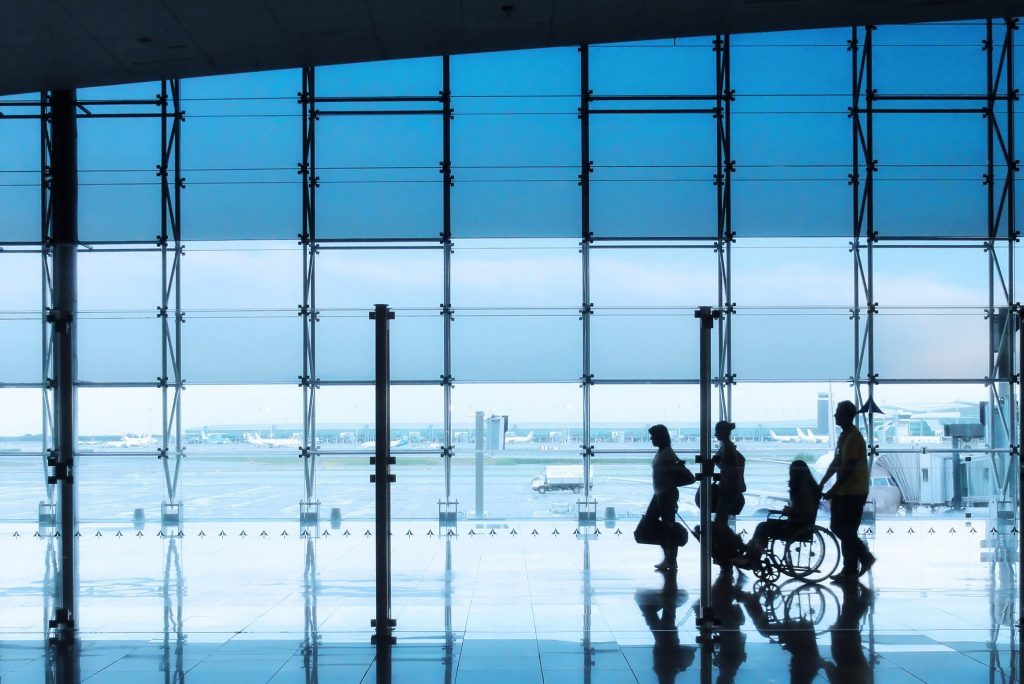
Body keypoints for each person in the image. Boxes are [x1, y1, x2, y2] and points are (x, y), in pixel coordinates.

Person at [820, 400, 876, 582]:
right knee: (843, 529)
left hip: (853, 492)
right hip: (846, 491)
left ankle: (858, 562)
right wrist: (823, 483)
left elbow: (848, 469)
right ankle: (852, 567)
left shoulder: (853, 438)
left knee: (844, 529)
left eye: (838, 412)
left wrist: (832, 489)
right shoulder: (845, 437)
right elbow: (837, 463)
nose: (835, 415)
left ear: (847, 415)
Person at [734, 460, 819, 566]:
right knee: (763, 527)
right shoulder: (807, 487)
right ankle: (752, 556)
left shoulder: (803, 489)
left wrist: (791, 511)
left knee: (763, 527)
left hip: (797, 527)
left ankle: (751, 556)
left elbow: (807, 510)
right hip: (799, 524)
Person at [647, 423, 687, 571]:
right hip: (660, 493)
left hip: (666, 494)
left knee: (667, 527)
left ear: (660, 437)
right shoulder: (662, 452)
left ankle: (671, 559)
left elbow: (674, 473)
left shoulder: (667, 454)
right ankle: (669, 558)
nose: (651, 439)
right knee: (661, 525)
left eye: (653, 436)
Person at [713, 420, 746, 525]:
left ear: (722, 432)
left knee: (720, 520)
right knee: (722, 519)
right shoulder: (728, 447)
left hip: (728, 488)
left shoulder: (727, 448)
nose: (715, 434)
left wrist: (715, 462)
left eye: (717, 431)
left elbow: (726, 467)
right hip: (731, 487)